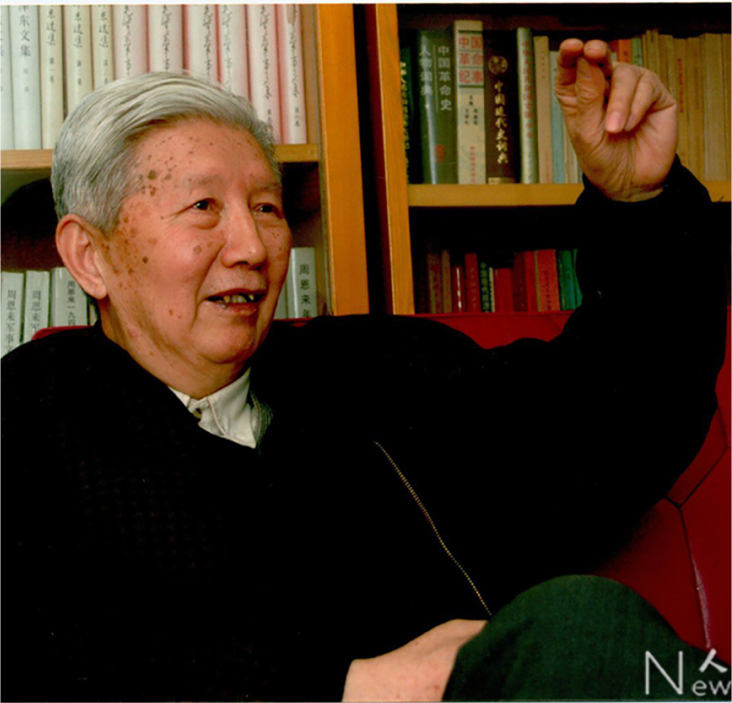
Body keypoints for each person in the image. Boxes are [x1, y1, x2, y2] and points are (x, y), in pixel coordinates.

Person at [0, 38, 725, 702]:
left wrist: (638, 203)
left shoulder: (374, 371)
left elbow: (615, 416)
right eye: (203, 207)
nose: (251, 246)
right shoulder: (25, 422)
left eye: (266, 207)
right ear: (90, 255)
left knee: (579, 626)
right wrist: (348, 686)